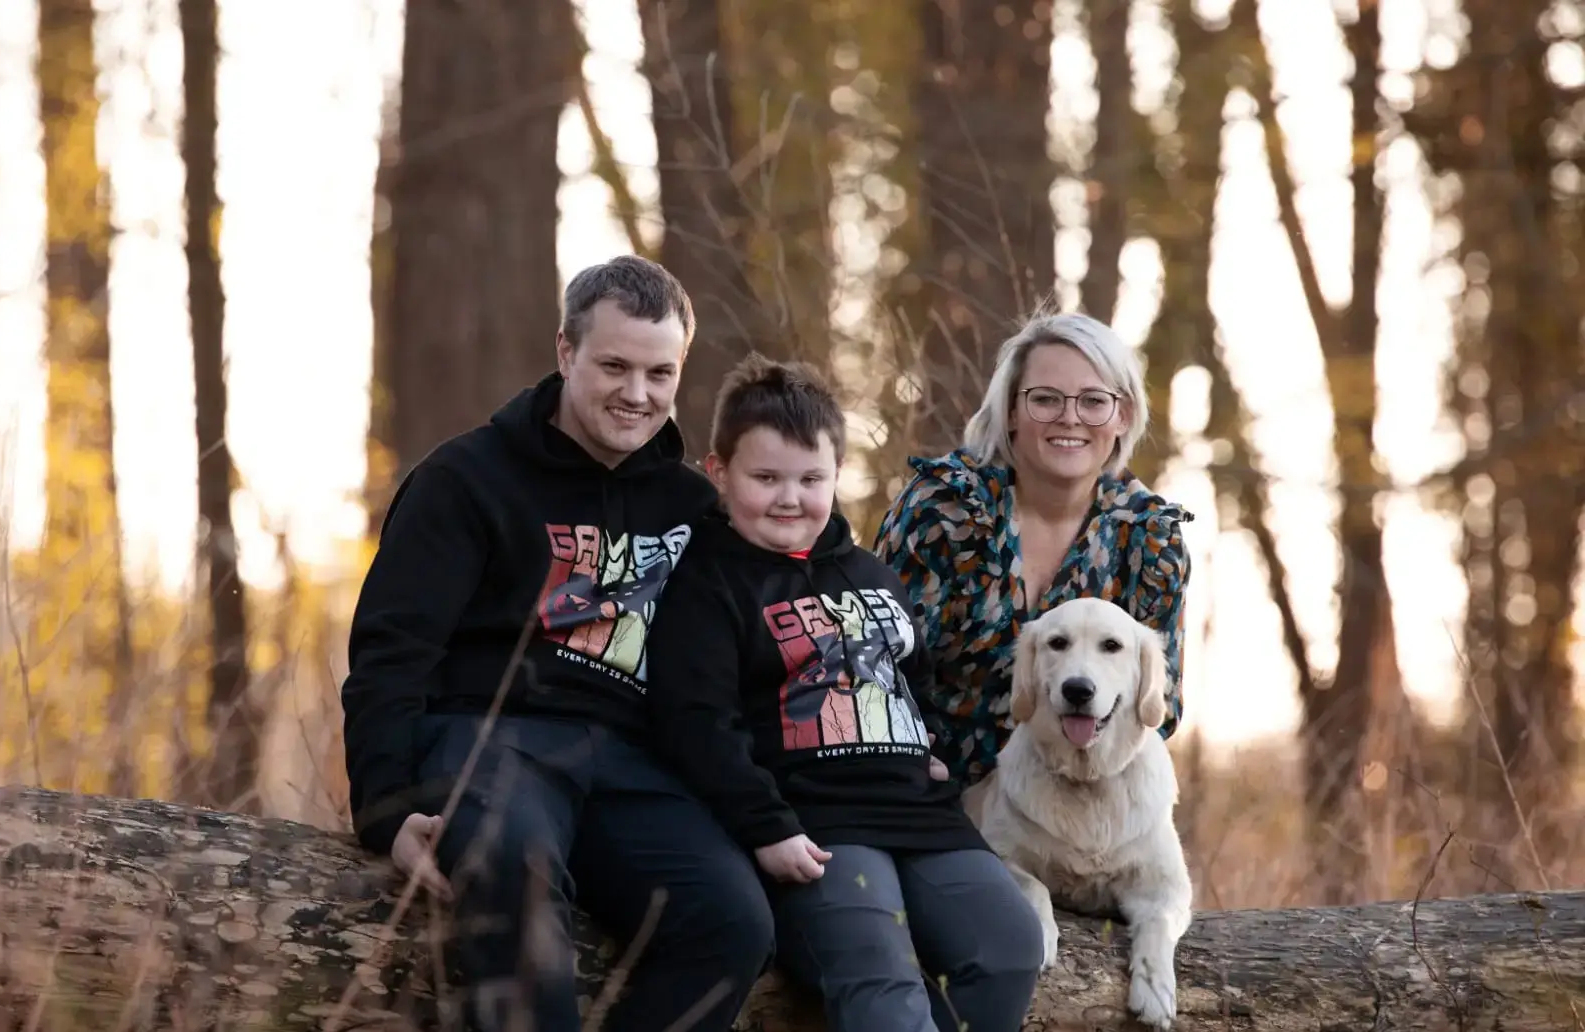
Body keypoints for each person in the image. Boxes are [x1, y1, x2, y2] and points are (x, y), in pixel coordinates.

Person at [339, 255, 774, 1032]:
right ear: (566, 352)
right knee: (517, 875)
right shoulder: (465, 479)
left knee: (733, 921)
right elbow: (391, 653)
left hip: (632, 763)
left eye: (660, 373)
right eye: (614, 366)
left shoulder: (692, 507)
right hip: (489, 740)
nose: (637, 394)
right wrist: (383, 808)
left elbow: (750, 650)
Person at [644, 354, 1044, 1032]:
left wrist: (923, 743)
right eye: (765, 478)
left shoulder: (870, 574)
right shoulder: (708, 584)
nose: (789, 498)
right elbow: (697, 722)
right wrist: (765, 826)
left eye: (811, 479)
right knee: (881, 975)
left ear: (837, 475)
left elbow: (910, 671)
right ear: (719, 472)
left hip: (918, 816)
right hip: (816, 826)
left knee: (1008, 946)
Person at [874, 308, 1193, 785]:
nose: (1070, 417)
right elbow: (875, 667)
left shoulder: (1150, 539)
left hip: (1075, 792)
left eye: (1094, 401)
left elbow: (1156, 709)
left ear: (1122, 415)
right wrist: (906, 764)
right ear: (1010, 411)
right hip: (932, 785)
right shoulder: (943, 512)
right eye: (1045, 399)